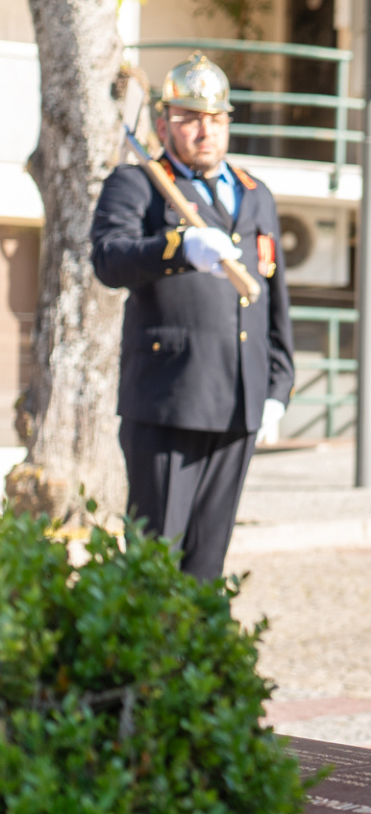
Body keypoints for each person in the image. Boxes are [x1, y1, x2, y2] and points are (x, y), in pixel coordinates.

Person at [91, 52, 293, 578]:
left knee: (207, 563)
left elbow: (273, 297)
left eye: (216, 119)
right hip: (169, 399)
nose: (205, 132)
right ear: (164, 125)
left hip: (240, 402)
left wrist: (277, 386)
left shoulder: (255, 194)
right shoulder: (138, 183)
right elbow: (109, 259)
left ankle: (205, 635)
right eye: (190, 119)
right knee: (155, 562)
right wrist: (179, 249)